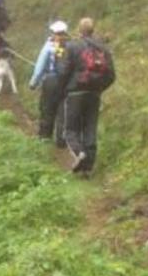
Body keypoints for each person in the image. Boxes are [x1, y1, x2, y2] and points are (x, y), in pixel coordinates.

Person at [56, 17, 116, 174]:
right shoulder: (103, 49)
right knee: (90, 128)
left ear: (79, 30)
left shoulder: (72, 46)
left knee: (70, 130)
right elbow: (111, 75)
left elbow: (63, 72)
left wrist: (62, 90)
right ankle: (88, 168)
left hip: (75, 93)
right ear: (93, 30)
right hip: (94, 94)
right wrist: (99, 88)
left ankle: (78, 153)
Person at [29, 20, 69, 145]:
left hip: (50, 80)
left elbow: (40, 67)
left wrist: (33, 83)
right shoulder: (70, 45)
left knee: (47, 107)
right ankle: (61, 139)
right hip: (66, 81)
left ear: (53, 33)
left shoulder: (49, 46)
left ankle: (45, 136)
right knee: (63, 109)